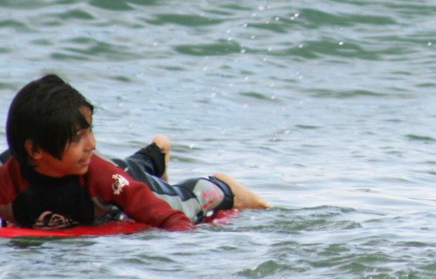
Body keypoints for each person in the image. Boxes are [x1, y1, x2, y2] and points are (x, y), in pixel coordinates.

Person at [0, 74, 270, 231]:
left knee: (182, 204)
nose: (92, 143)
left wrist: (188, 250)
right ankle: (156, 152)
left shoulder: (99, 175)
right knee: (129, 167)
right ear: (34, 150)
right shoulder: (7, 180)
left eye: (90, 131)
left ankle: (225, 186)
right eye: (78, 138)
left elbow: (165, 216)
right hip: (118, 175)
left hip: (124, 183)